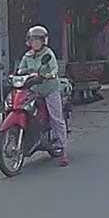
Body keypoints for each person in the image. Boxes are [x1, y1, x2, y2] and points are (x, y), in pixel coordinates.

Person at [16, 25, 68, 166]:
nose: (35, 43)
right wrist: (22, 74)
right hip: (34, 90)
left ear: (43, 41)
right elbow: (20, 69)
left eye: (38, 40)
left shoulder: (48, 54)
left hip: (49, 89)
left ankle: (64, 150)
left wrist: (48, 75)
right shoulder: (27, 56)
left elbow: (54, 68)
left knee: (56, 118)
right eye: (33, 40)